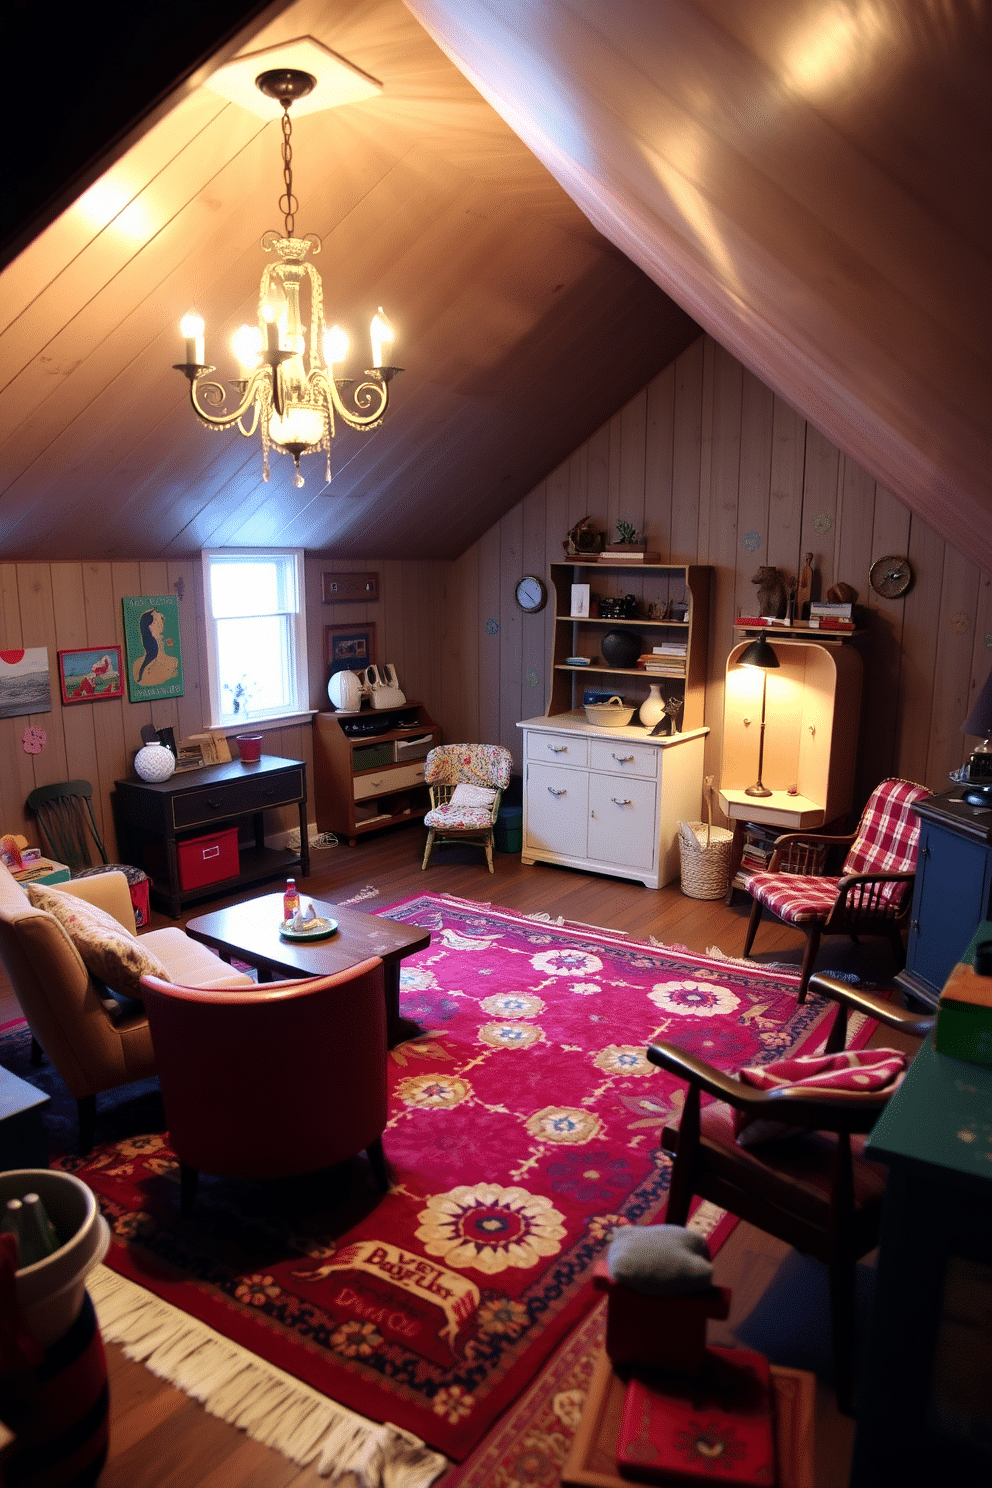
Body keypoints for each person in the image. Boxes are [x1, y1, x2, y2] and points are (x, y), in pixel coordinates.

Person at [133, 609, 178, 686]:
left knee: (149, 659)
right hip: (152, 648)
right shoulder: (150, 634)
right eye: (154, 623)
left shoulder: (151, 635)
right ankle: (142, 674)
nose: (157, 625)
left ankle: (142, 674)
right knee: (150, 659)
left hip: (153, 648)